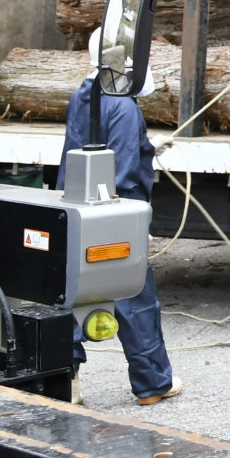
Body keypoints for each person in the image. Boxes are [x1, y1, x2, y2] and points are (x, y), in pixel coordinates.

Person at [58, 32, 180, 406]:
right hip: (114, 215)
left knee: (72, 297)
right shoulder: (124, 108)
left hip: (77, 209)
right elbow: (126, 173)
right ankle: (153, 384)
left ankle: (67, 380)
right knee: (135, 298)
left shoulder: (84, 94)